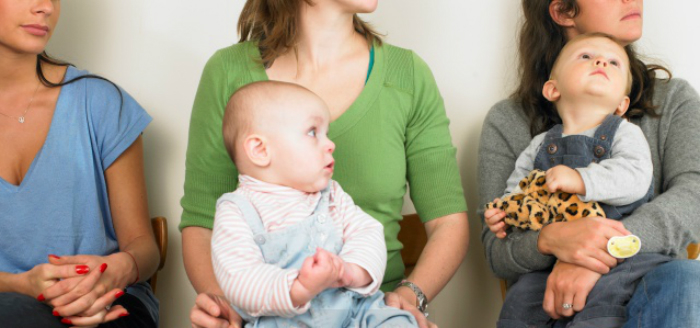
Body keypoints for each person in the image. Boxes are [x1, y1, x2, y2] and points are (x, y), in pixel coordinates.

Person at [181, 1, 469, 328]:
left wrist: (405, 298)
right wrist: (228, 309)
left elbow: (448, 223)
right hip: (269, 315)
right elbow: (202, 222)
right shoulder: (227, 72)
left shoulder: (408, 75)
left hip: (369, 305)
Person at [479, 0, 700, 327]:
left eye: (613, 63)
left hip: (645, 286)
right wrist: (549, 238)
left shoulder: (673, 101)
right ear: (563, 11)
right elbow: (499, 248)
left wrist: (598, 250)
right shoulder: (509, 123)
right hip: (549, 300)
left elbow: (693, 197)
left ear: (622, 105)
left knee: (687, 278)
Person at [0, 0, 160, 327]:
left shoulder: (101, 101)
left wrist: (114, 271)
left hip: (108, 302)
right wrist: (19, 285)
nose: (45, 7)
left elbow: (145, 247)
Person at [211, 81, 417, 327]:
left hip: (353, 311)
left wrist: (349, 271)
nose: (330, 144)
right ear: (260, 150)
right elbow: (240, 279)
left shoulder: (332, 195)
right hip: (283, 321)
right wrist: (299, 288)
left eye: (326, 133)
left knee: (396, 322)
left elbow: (367, 232)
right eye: (312, 132)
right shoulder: (237, 211)